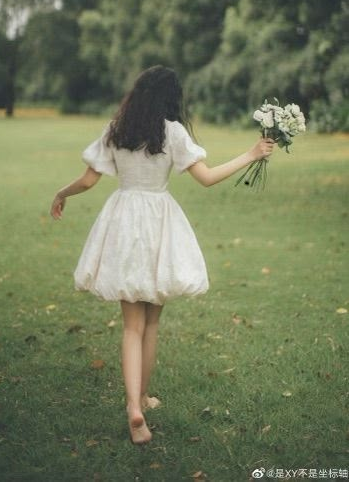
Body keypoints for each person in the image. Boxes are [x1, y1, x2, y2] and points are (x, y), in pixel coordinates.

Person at [50, 65, 274, 445]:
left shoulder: (116, 128)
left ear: (137, 92)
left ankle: (135, 406)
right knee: (151, 324)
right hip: (158, 223)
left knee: (131, 327)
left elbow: (89, 180)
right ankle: (139, 400)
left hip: (122, 221)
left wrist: (61, 193)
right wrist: (252, 153)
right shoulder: (172, 132)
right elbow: (206, 178)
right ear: (172, 96)